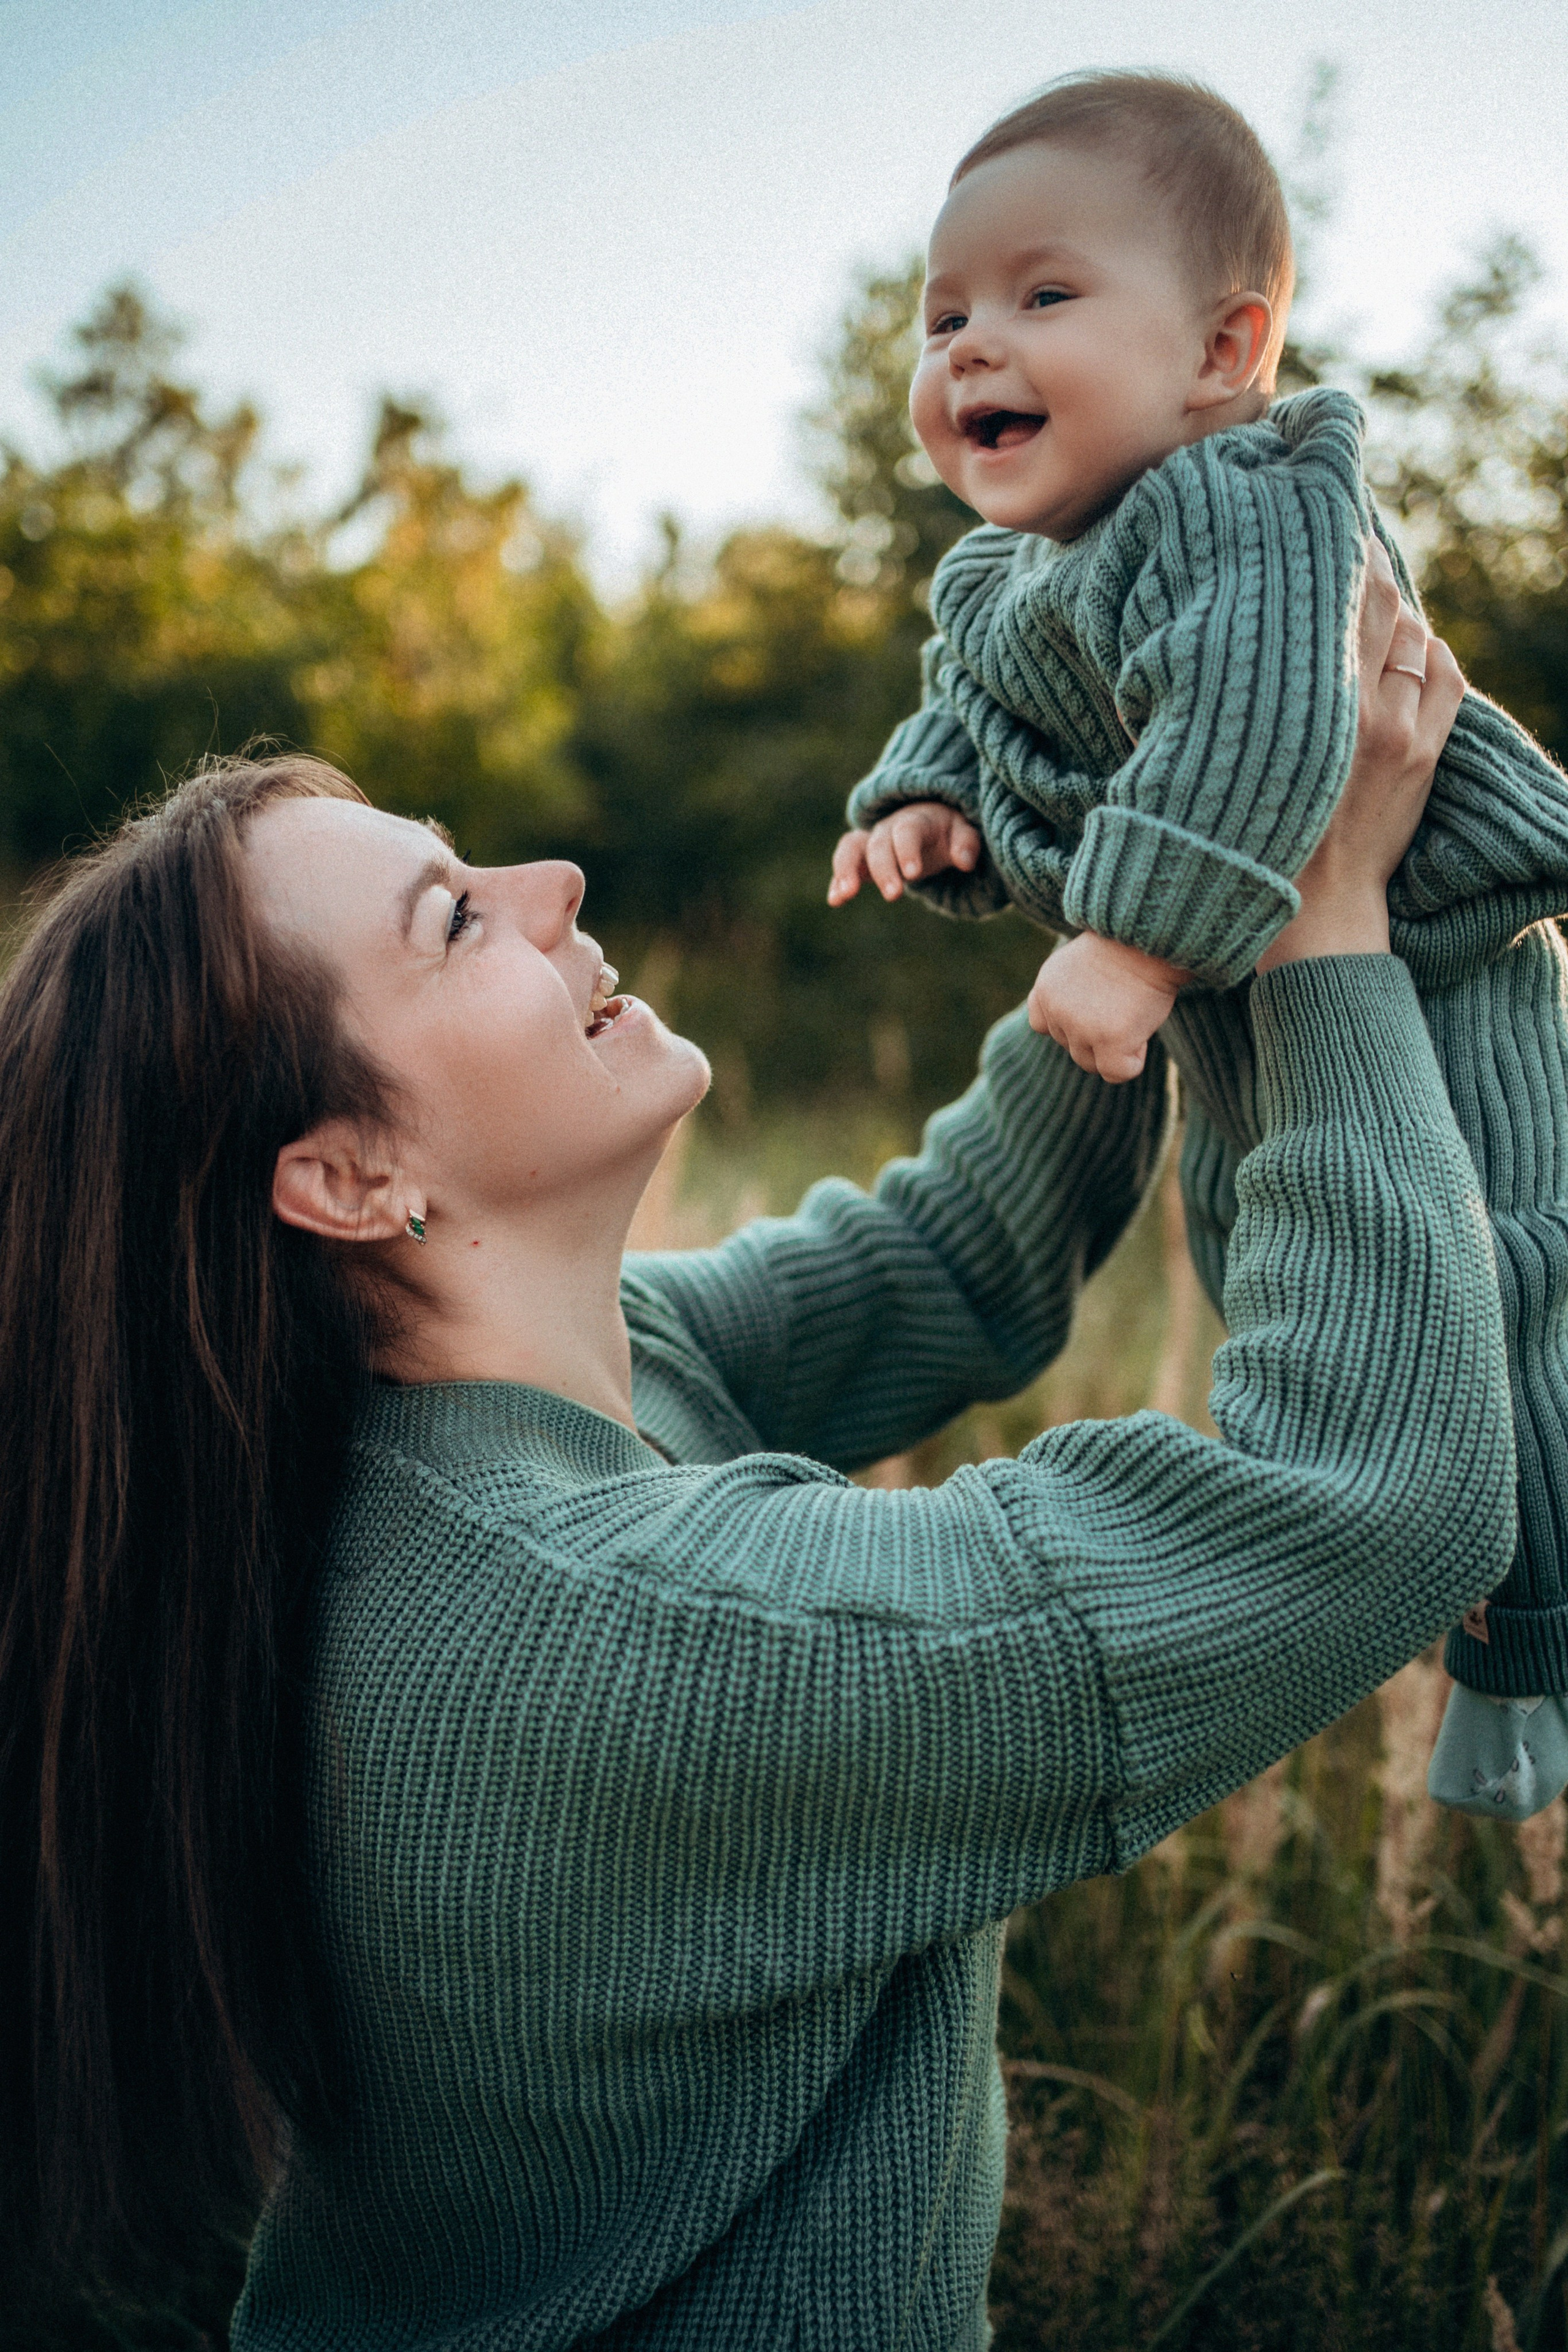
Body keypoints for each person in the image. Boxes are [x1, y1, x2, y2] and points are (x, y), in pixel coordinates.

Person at [0, 582, 1510, 2351]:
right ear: (342, 1178)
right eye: (452, 919)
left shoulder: (488, 1412)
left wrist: (1161, 883)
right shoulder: (641, 1637)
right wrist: (1326, 930)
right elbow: (1380, 1502)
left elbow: (959, 1254)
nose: (552, 882)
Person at [829, 70, 1568, 1818]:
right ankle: (1463, 1611)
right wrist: (922, 807)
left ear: (1228, 352)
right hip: (1263, 1013)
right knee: (1286, 1281)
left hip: (1444, 988)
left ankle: (1528, 1643)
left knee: (1496, 1276)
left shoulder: (1250, 498)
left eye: (1044, 295)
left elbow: (1252, 730)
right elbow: (976, 717)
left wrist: (1136, 947)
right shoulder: (1002, 580)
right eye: (945, 316)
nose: (971, 348)